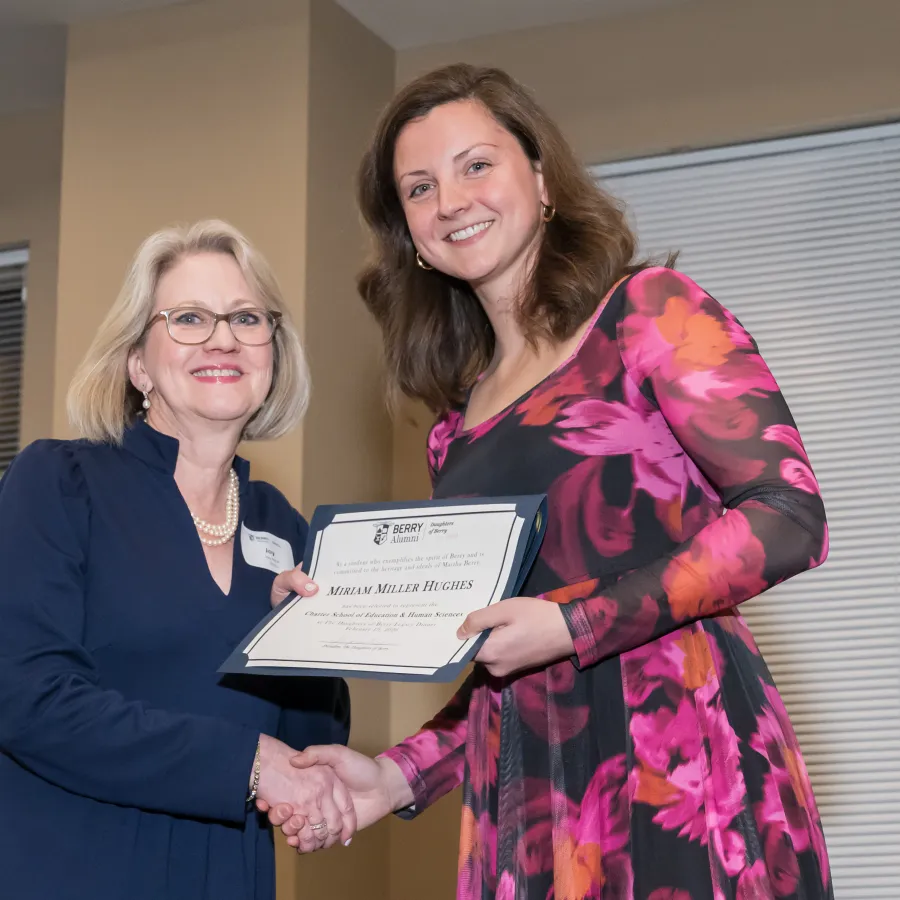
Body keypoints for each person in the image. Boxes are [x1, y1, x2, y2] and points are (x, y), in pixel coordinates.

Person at [265, 65, 835, 900]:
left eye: (476, 165)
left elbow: (789, 515)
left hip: (678, 760)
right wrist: (394, 778)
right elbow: (503, 654)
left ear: (539, 177)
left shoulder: (649, 313)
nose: (451, 199)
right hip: (533, 799)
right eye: (419, 188)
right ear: (410, 235)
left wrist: (575, 621)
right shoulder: (452, 433)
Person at [0, 220, 356, 900]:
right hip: (68, 867)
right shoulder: (59, 483)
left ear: (272, 353)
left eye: (247, 318)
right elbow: (25, 698)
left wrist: (307, 644)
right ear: (138, 363)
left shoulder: (283, 525)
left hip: (226, 875)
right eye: (189, 317)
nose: (223, 338)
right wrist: (248, 765)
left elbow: (308, 743)